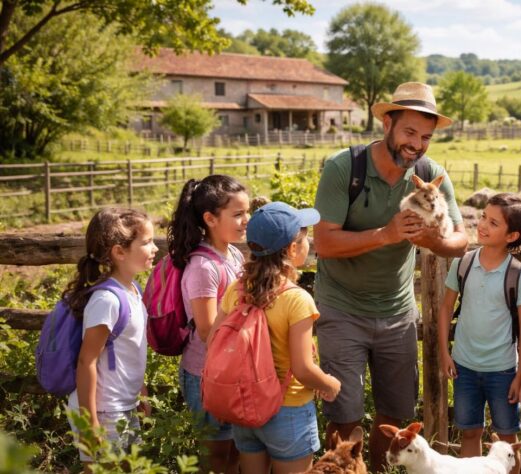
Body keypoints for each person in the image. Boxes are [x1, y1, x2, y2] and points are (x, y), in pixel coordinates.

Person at [313, 82, 467, 472]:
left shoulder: (431, 175)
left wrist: (432, 239)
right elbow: (324, 243)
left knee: (395, 414)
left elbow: (460, 241)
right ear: (387, 123)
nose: (417, 144)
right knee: (344, 414)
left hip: (397, 312)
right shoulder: (344, 168)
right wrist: (387, 234)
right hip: (342, 308)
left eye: (426, 137)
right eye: (410, 132)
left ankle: (379, 470)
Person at [211, 201, 341, 474]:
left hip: (244, 407)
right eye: (304, 238)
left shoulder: (237, 290)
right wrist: (329, 384)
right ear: (292, 249)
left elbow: (213, 340)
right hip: (288, 411)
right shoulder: (296, 299)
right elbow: (303, 369)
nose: (308, 244)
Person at [438, 193, 521, 474]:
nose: (482, 225)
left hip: (503, 371)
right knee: (469, 433)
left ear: (512, 235)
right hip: (464, 367)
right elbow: (445, 308)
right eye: (483, 217)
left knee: (507, 441)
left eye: (493, 223)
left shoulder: (518, 274)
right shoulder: (463, 263)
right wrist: (444, 353)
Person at [168, 175, 249, 473]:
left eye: (247, 212)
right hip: (206, 375)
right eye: (237, 214)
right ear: (210, 219)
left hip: (232, 372)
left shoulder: (233, 254)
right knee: (216, 458)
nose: (246, 220)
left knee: (235, 453)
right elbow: (206, 331)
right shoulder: (203, 267)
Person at [66, 208, 157, 470]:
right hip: (104, 410)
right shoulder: (106, 300)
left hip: (124, 404)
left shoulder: (133, 290)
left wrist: (141, 392)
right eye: (146, 242)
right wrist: (89, 423)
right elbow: (87, 361)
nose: (154, 248)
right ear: (119, 252)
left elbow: (129, 349)